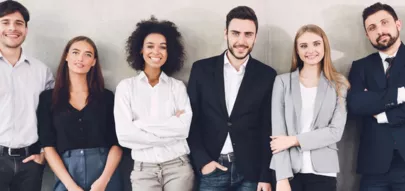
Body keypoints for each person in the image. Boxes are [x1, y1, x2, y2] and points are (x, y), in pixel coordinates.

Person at [187, 6, 276, 191]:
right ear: (226, 33)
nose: (241, 41)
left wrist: (265, 175)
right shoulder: (201, 70)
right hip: (212, 170)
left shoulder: (267, 75)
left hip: (250, 173)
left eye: (248, 34)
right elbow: (191, 121)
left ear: (255, 37)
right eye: (236, 33)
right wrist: (203, 162)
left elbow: (267, 128)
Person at [114, 17, 194, 191]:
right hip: (143, 170)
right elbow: (124, 136)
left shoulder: (177, 87)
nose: (156, 51)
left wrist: (140, 125)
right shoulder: (126, 87)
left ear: (169, 52)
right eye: (150, 46)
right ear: (140, 50)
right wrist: (169, 128)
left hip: (178, 167)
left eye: (163, 47)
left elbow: (183, 129)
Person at [270, 24, 349, 191]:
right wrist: (282, 178)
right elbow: (278, 137)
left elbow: (335, 132)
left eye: (316, 43)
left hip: (324, 172)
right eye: (303, 46)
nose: (310, 50)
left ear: (324, 46)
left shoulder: (338, 84)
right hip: (289, 171)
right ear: (297, 51)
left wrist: (294, 140)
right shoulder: (282, 82)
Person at [37, 36, 122, 191]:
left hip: (104, 172)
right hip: (66, 173)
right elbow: (48, 146)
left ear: (94, 62)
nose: (80, 58)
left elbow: (117, 143)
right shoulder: (48, 98)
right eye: (75, 52)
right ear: (66, 56)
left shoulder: (106, 97)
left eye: (88, 54)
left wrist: (103, 181)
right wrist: (71, 186)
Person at [348, 2, 405, 190]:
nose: (379, 31)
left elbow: (366, 103)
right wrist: (399, 94)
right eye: (372, 28)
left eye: (384, 23)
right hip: (374, 167)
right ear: (367, 34)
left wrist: (381, 114)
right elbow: (355, 105)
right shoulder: (360, 67)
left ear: (398, 24)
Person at [0, 1, 54, 190]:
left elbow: (51, 115)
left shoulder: (41, 71)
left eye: (18, 23)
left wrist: (44, 152)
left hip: (30, 162)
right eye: (5, 22)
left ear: (26, 29)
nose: (12, 28)